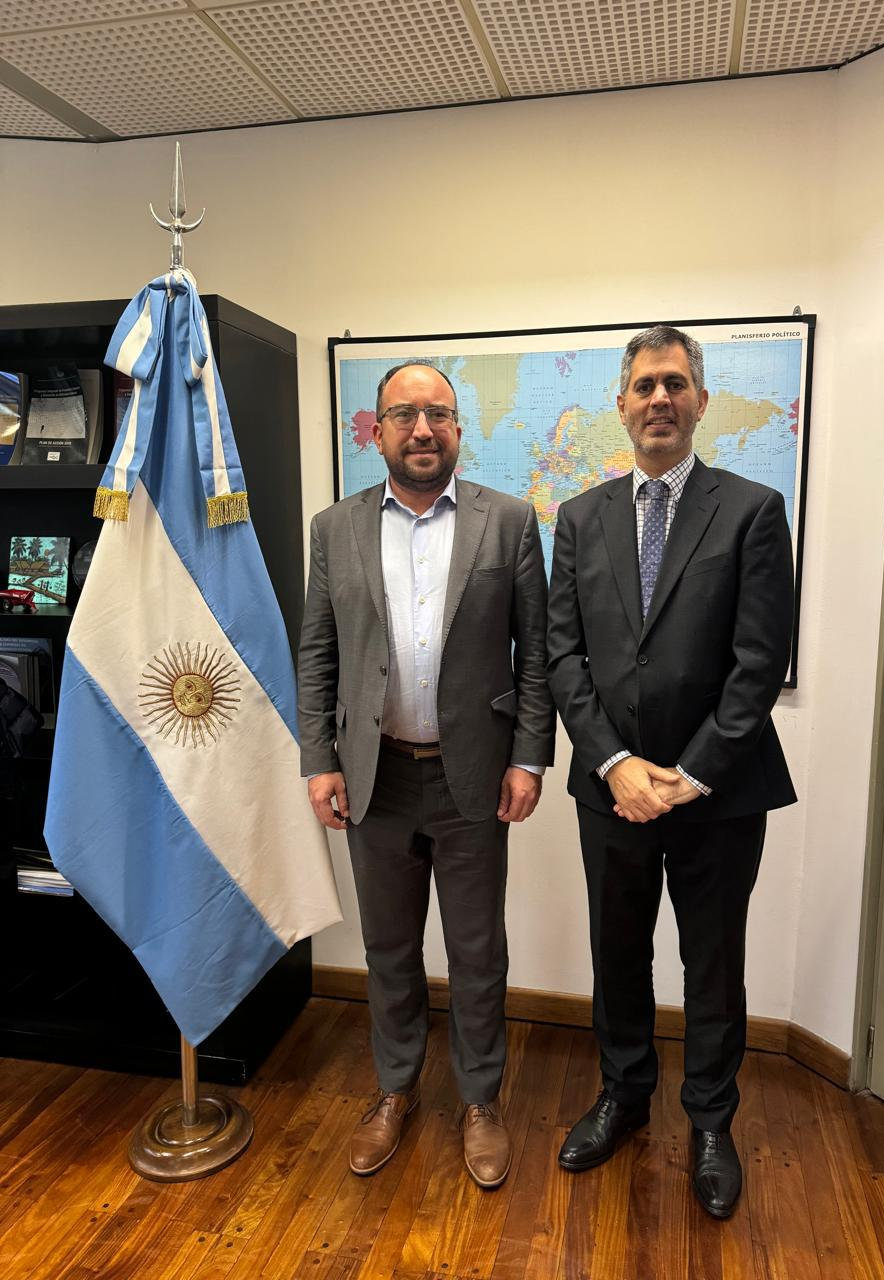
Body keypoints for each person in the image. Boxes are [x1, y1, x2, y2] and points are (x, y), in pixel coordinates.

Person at [546, 325, 796, 1218]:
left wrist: (688, 775)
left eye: (675, 384)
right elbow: (562, 656)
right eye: (645, 384)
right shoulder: (580, 518)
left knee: (712, 963)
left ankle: (712, 1124)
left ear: (700, 401)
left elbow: (759, 663)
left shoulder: (753, 510)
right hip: (610, 790)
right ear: (621, 403)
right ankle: (623, 1096)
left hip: (718, 795)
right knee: (618, 953)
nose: (660, 398)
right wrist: (615, 764)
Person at [298, 360, 554, 1189]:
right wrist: (319, 760)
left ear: (458, 428)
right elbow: (318, 653)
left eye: (438, 414)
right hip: (374, 777)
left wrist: (528, 756)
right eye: (404, 414)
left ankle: (481, 1101)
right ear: (377, 430)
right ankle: (395, 1089)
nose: (422, 429)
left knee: (478, 952)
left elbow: (537, 652)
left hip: (471, 776)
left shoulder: (507, 522)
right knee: (388, 948)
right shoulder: (334, 529)